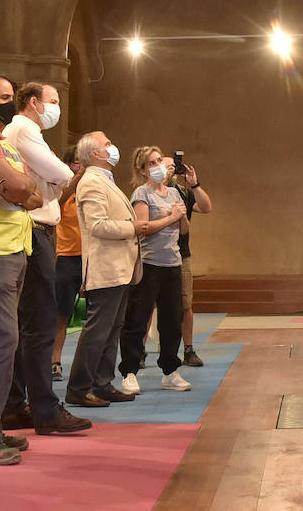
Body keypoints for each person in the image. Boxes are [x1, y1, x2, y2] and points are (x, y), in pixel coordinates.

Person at [0, 73, 84, 468]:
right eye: (5, 97)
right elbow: (22, 185)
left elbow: (27, 191)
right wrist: (24, 188)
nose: (11, 104)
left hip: (10, 245)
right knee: (1, 340)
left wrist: (23, 188)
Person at [0, 82, 85, 432]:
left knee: (30, 322)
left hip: (36, 228)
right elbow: (65, 174)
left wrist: (50, 184)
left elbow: (56, 180)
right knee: (39, 322)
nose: (57, 108)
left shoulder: (26, 130)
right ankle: (45, 409)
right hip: (35, 229)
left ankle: (14, 403)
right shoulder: (23, 128)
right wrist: (52, 183)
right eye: (53, 101)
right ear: (33, 102)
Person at [66, 132, 140, 407]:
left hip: (120, 266)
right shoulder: (91, 182)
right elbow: (98, 226)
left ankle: (102, 382)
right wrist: (133, 228)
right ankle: (79, 387)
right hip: (105, 266)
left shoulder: (105, 180)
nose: (112, 146)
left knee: (112, 328)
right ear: (95, 154)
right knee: (98, 330)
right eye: (107, 143)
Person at [118, 146, 190, 394]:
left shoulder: (173, 192)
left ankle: (170, 370)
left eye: (159, 160)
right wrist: (171, 217)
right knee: (137, 319)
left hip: (173, 263)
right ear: (143, 170)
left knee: (172, 321)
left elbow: (184, 230)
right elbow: (143, 227)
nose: (158, 165)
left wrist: (181, 216)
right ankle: (129, 371)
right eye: (151, 163)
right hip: (149, 264)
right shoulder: (142, 192)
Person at [168, 155, 212, 367]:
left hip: (182, 255)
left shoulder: (183, 192)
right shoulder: (146, 193)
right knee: (149, 306)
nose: (170, 170)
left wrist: (194, 183)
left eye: (172, 167)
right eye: (166, 166)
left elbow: (206, 207)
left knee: (186, 304)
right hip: (154, 257)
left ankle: (188, 349)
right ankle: (139, 352)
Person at [51, 147, 84, 380]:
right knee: (61, 314)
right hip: (66, 256)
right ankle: (54, 361)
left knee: (96, 314)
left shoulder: (93, 190)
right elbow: (57, 203)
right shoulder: (63, 190)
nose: (79, 167)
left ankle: (89, 364)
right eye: (75, 163)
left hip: (92, 257)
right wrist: (76, 179)